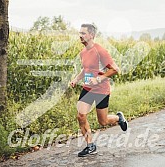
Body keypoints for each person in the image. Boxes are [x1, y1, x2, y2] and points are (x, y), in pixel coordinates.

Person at [70, 24, 128, 157]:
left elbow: (115, 69)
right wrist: (76, 79)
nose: (80, 35)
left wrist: (99, 79)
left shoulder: (100, 51)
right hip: (88, 88)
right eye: (80, 33)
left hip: (101, 90)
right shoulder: (83, 52)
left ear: (91, 35)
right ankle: (90, 146)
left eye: (83, 33)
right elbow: (85, 69)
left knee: (103, 121)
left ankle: (119, 118)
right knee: (81, 116)